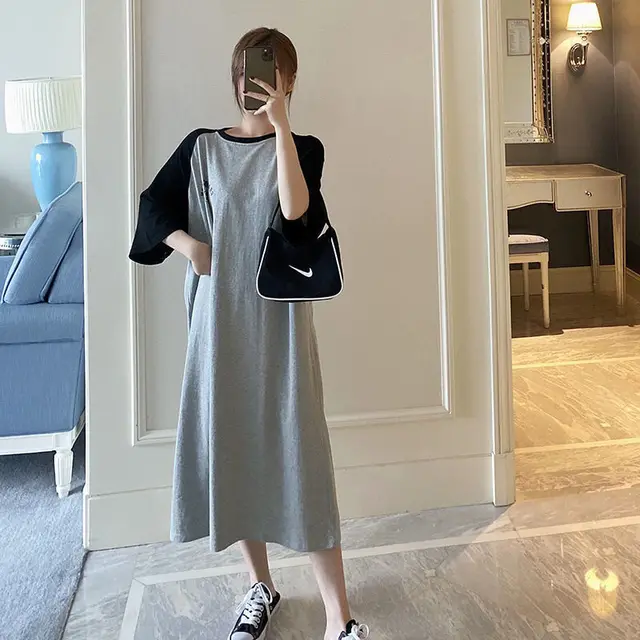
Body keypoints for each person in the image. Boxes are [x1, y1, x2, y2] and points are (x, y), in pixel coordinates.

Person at [128, 27, 369, 640]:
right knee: (231, 450)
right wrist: (190, 248)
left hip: (280, 327)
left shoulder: (303, 148)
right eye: (244, 71)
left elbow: (296, 216)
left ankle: (339, 617)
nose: (251, 82)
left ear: (289, 80)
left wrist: (281, 128)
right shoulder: (202, 147)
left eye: (265, 71)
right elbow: (151, 207)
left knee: (300, 454)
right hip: (218, 327)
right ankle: (260, 586)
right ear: (232, 78)